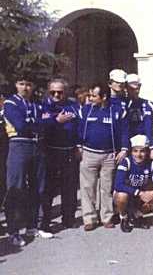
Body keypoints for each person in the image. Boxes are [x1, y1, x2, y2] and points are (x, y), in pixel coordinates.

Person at [4, 77, 52, 246]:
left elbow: (49, 121)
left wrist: (36, 122)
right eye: (22, 84)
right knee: (16, 188)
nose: (25, 88)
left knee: (38, 187)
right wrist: (39, 122)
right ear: (16, 85)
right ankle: (13, 230)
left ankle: (33, 225)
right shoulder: (11, 103)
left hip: (37, 146)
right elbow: (20, 125)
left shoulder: (37, 104)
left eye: (29, 84)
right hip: (19, 145)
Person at [77, 83, 129, 232]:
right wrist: (78, 146)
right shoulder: (85, 110)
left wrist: (124, 149)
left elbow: (124, 131)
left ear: (104, 97)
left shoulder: (117, 111)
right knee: (88, 187)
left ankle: (106, 217)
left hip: (109, 155)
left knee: (106, 188)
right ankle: (89, 218)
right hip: (89, 153)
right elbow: (79, 130)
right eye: (90, 95)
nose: (90, 98)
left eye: (94, 95)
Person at [41, 78, 80, 230]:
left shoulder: (73, 105)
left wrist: (78, 145)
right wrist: (56, 120)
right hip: (51, 152)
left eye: (60, 92)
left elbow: (78, 126)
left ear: (65, 91)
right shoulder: (43, 105)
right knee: (49, 188)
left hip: (69, 151)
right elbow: (41, 124)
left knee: (69, 188)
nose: (56, 95)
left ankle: (68, 219)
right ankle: (45, 221)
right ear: (48, 91)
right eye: (53, 92)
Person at [113, 135, 153, 232]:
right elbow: (118, 184)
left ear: (147, 152)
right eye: (135, 151)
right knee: (121, 195)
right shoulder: (126, 162)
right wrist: (139, 193)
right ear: (131, 152)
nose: (138, 154)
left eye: (142, 151)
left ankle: (137, 215)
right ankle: (123, 217)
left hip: (140, 195)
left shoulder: (151, 163)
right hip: (129, 194)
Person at [124, 74, 153, 140]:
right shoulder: (123, 103)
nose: (136, 91)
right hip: (127, 138)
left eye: (137, 88)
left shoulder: (146, 103)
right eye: (132, 89)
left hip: (141, 139)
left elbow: (148, 125)